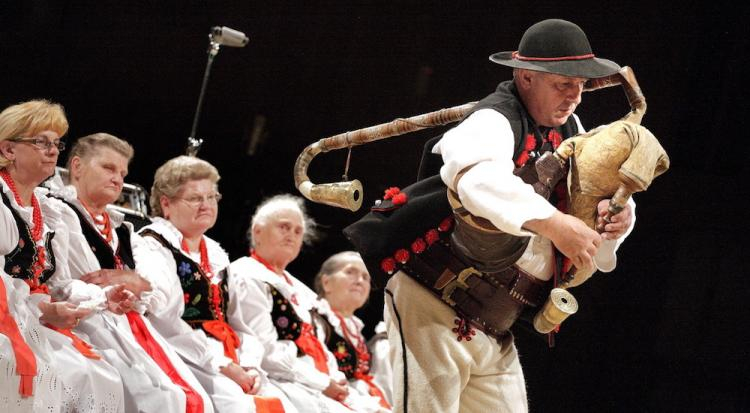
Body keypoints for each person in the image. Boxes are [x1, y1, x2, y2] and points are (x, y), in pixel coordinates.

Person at [344, 19, 636, 413]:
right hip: (435, 296)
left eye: (581, 84)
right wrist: (554, 223)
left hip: (495, 317)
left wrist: (618, 216)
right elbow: (477, 180)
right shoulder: (494, 118)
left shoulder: (572, 128)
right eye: (562, 83)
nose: (574, 96)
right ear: (526, 77)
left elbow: (593, 192)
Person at [53, 133, 213, 413]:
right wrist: (106, 295)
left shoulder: (125, 232)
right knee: (157, 399)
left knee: (187, 399)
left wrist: (135, 283)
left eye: (123, 172)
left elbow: (162, 297)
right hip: (83, 323)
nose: (118, 178)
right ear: (76, 167)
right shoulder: (58, 213)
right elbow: (56, 281)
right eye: (109, 168)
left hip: (130, 327)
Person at [0, 99, 126, 412]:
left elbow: (57, 283)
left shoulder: (48, 211)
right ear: (7, 150)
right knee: (53, 375)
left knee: (102, 375)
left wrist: (101, 298)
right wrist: (43, 309)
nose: (53, 151)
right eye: (40, 142)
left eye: (56, 143)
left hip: (31, 319)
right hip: (8, 322)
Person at [139, 155, 291, 413]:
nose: (206, 205)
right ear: (166, 203)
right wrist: (221, 363)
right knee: (237, 405)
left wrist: (250, 364)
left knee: (283, 405)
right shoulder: (152, 245)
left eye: (211, 197)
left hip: (227, 359)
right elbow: (164, 319)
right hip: (185, 354)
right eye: (195, 198)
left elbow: (239, 324)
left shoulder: (216, 253)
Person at [225, 195, 359, 413]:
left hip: (315, 383)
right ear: (257, 231)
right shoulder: (248, 275)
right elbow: (264, 349)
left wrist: (334, 378)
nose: (291, 236)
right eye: (284, 227)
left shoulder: (300, 290)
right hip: (279, 380)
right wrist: (322, 383)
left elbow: (319, 345)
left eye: (297, 231)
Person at [313, 251, 392, 411]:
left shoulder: (354, 330)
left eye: (365, 277)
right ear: (326, 282)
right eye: (350, 272)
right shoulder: (314, 321)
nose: (360, 281)